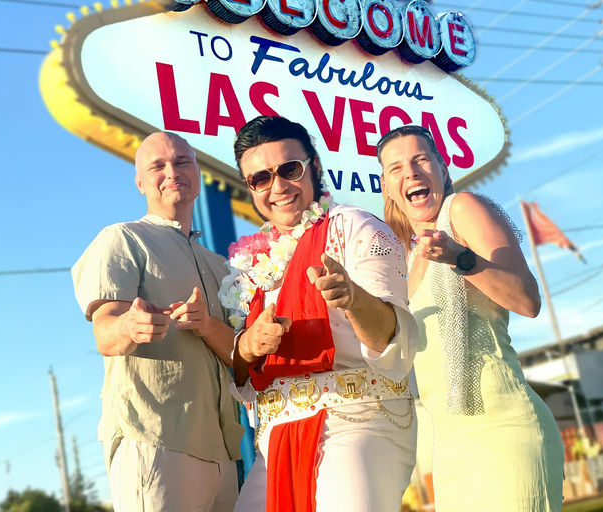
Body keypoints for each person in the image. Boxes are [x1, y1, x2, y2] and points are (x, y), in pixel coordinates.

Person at [225, 116, 418, 512]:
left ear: (313, 167)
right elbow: (243, 376)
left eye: (289, 170)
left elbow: (392, 342)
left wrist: (353, 299)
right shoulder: (253, 260)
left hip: (359, 419)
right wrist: (248, 345)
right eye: (260, 178)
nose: (277, 187)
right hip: (276, 440)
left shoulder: (355, 228)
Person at [377, 125, 564, 511]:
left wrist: (460, 258)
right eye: (395, 168)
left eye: (420, 159)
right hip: (449, 448)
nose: (410, 172)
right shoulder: (407, 260)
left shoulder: (461, 208)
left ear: (443, 171)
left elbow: (528, 300)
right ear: (387, 187)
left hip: (504, 429)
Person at [71, 132, 244, 511]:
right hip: (154, 438)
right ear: (140, 182)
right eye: (158, 165)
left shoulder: (221, 265)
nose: (172, 171)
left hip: (223, 450)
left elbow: (239, 356)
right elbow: (105, 331)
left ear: (197, 171)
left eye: (183, 161)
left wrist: (208, 324)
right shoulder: (122, 238)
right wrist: (129, 327)